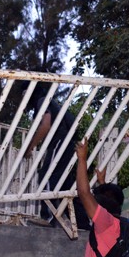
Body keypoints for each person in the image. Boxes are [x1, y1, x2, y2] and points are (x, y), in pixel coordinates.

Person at [21, 82, 89, 228]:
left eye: (24, 94)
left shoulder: (42, 100)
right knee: (65, 185)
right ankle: (83, 223)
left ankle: (48, 216)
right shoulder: (48, 100)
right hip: (67, 143)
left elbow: (46, 125)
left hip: (60, 142)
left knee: (46, 175)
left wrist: (30, 147)